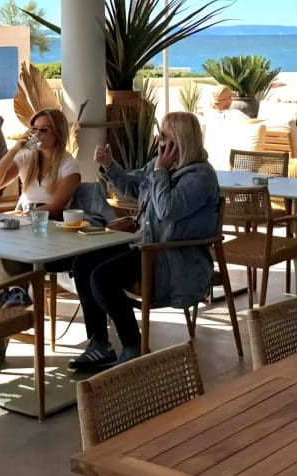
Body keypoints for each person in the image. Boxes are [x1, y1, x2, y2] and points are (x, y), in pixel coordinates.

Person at [69, 111, 221, 371]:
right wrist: (109, 165)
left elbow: (168, 209)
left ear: (180, 141)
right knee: (83, 263)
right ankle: (99, 344)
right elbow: (131, 187)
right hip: (145, 248)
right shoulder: (159, 166)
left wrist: (161, 170)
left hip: (171, 261)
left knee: (102, 277)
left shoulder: (200, 176)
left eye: (165, 137)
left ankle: (133, 344)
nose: (159, 142)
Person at [0, 108, 82, 366]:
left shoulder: (69, 166)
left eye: (44, 130)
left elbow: (56, 207)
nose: (37, 135)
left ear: (57, 134)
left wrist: (25, 215)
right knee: (1, 258)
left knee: (3, 275)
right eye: (34, 130)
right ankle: (14, 295)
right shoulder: (27, 157)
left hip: (48, 229)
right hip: (24, 226)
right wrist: (16, 148)